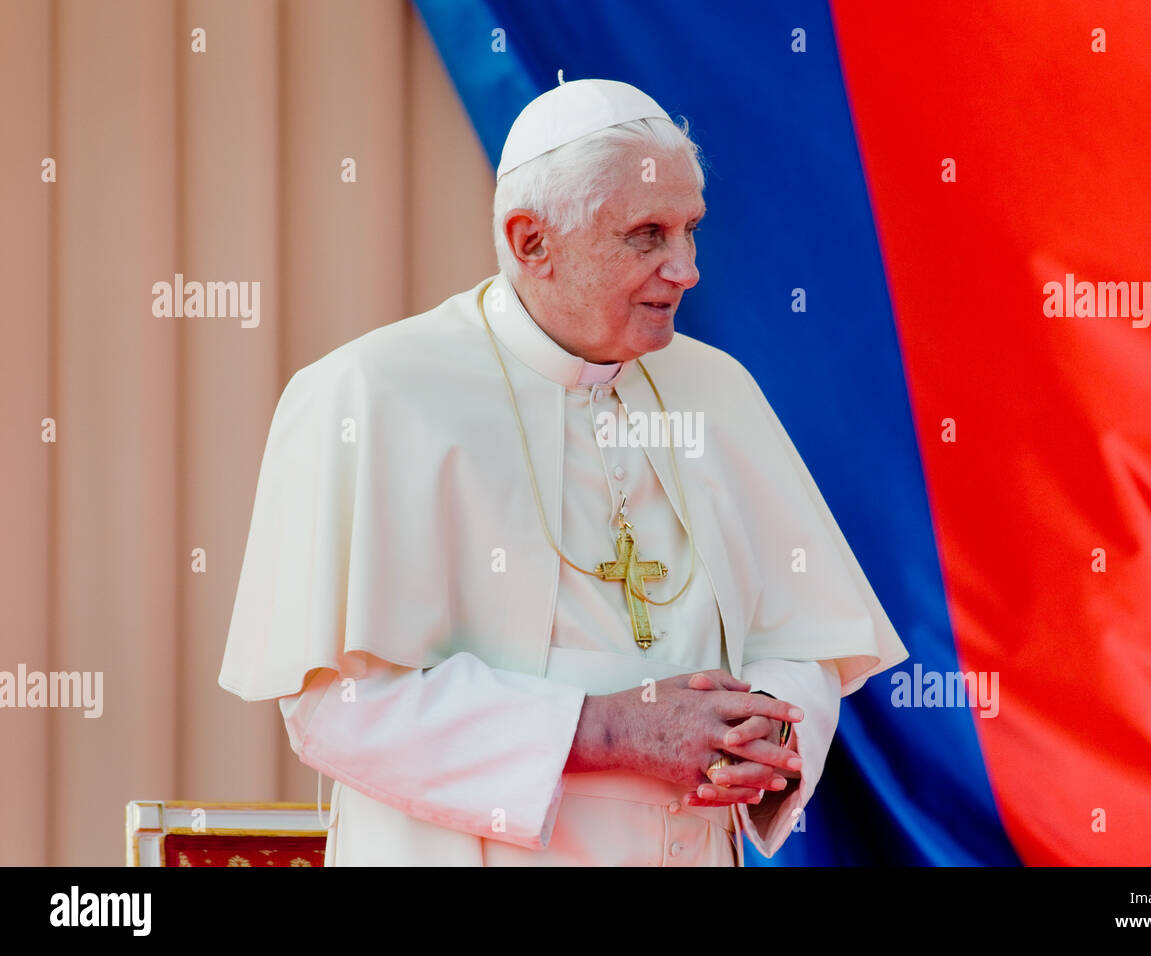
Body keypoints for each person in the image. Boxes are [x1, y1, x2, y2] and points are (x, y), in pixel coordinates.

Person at [218, 77, 907, 866]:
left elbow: (809, 641)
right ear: (530, 241)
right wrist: (609, 728)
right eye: (647, 234)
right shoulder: (370, 393)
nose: (686, 269)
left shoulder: (717, 390)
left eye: (691, 230)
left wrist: (768, 726)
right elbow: (334, 708)